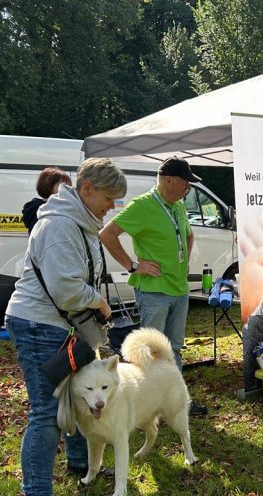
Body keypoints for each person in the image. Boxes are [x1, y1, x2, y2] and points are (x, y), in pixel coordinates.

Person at [4, 157, 127, 496]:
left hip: (60, 326)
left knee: (75, 398)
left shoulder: (78, 221)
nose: (112, 206)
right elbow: (66, 289)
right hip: (39, 325)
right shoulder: (60, 225)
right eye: (109, 198)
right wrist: (99, 302)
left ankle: (79, 463)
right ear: (86, 189)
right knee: (46, 411)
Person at [100, 157, 208, 417]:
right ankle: (148, 405)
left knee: (174, 348)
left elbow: (188, 234)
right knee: (150, 353)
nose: (188, 188)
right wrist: (133, 265)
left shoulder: (177, 206)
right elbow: (107, 234)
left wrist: (183, 262)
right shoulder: (143, 206)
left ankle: (176, 402)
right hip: (154, 292)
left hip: (179, 289)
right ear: (169, 180)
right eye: (186, 183)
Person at [23, 167, 72, 232]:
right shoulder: (36, 210)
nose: (68, 189)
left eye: (69, 186)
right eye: (63, 185)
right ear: (48, 185)